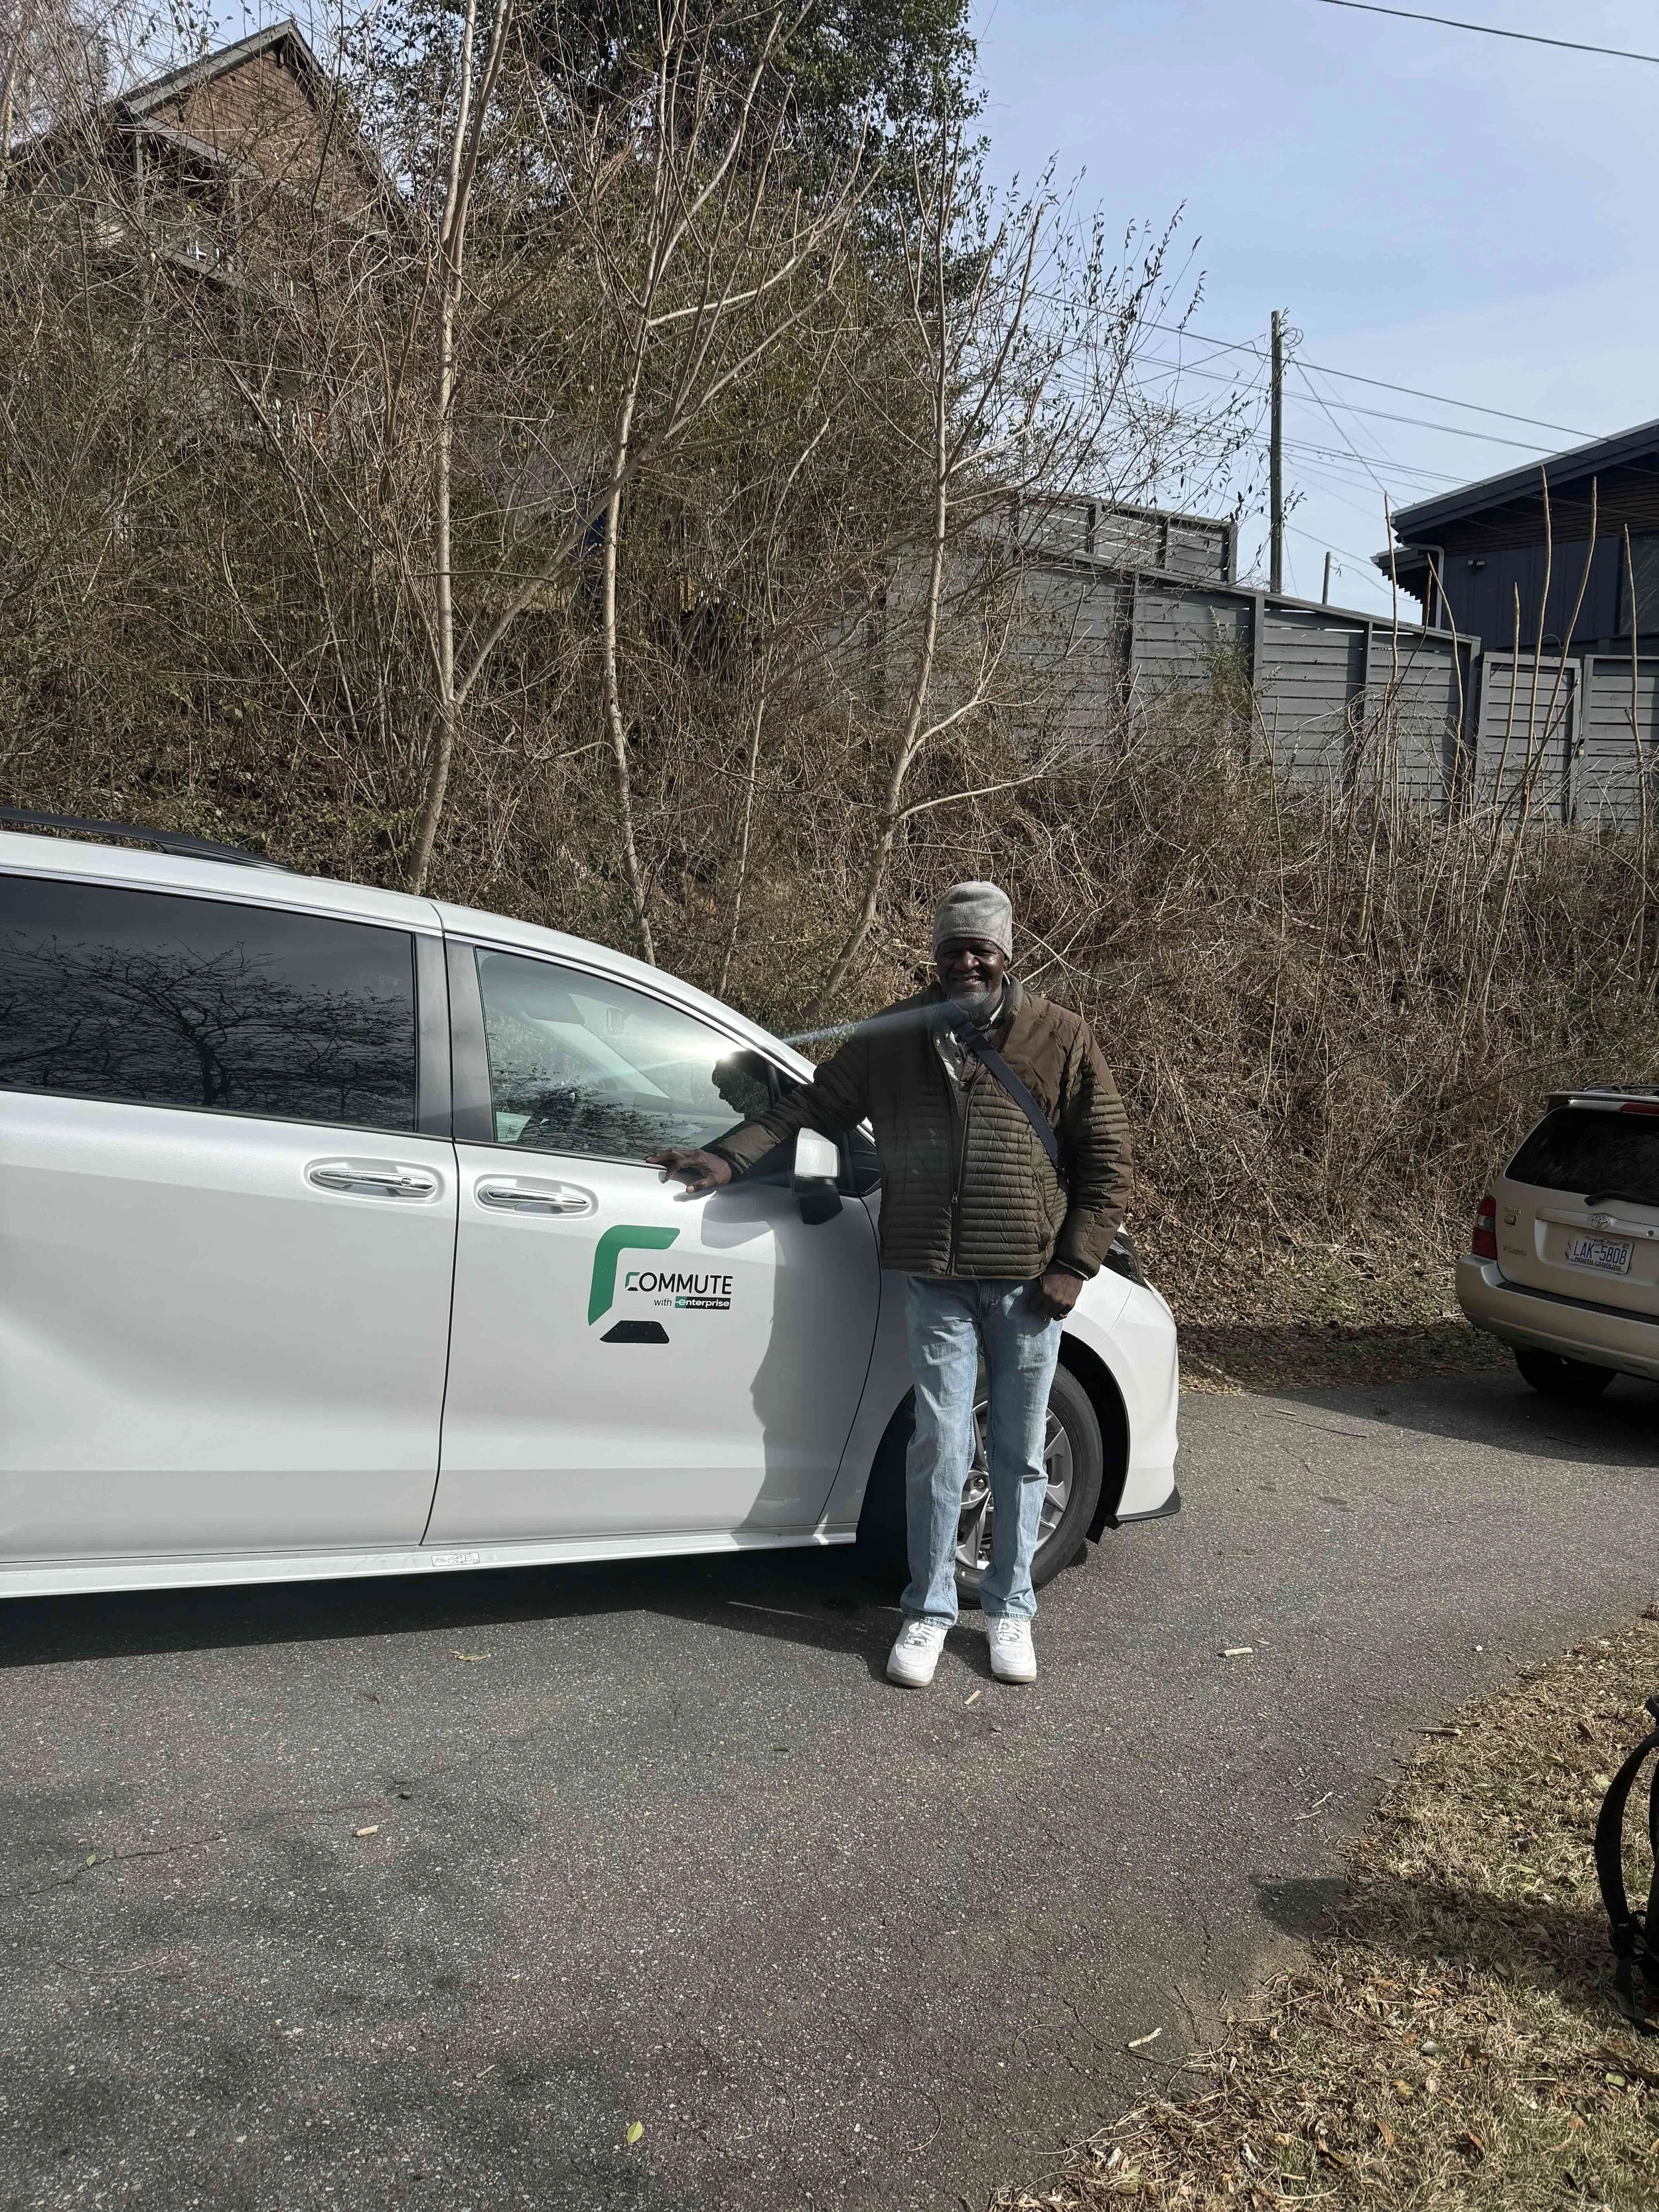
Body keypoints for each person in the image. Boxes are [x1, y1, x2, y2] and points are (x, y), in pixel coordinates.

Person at [650, 882, 1131, 1689]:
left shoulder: (1060, 1036)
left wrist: (1073, 1264)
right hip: (934, 1276)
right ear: (934, 958)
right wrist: (729, 1157)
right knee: (938, 1448)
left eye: (981, 949)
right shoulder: (892, 1038)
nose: (966, 962)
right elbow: (812, 1108)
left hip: (1026, 1285)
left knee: (1016, 1455)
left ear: (1007, 957)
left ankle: (1010, 1609)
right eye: (953, 950)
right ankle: (929, 1609)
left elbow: (1106, 1160)